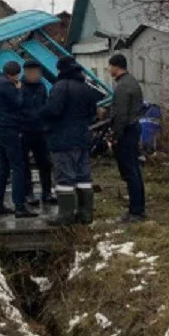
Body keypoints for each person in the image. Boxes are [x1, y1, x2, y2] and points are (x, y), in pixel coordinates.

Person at [40, 56, 100, 226]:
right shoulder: (85, 88)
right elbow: (92, 113)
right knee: (83, 177)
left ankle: (65, 215)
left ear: (61, 70)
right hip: (82, 139)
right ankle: (85, 214)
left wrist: (41, 113)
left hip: (63, 139)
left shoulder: (60, 87)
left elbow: (53, 111)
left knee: (65, 178)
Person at [0, 61, 37, 219]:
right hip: (10, 128)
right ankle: (20, 206)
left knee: (3, 167)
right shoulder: (8, 85)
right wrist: (19, 90)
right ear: (15, 74)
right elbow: (18, 103)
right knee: (18, 166)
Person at [107, 53, 146, 222]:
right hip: (133, 128)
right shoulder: (132, 82)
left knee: (130, 171)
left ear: (116, 66)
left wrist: (115, 135)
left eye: (109, 66)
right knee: (134, 170)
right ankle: (138, 208)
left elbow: (121, 115)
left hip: (127, 131)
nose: (109, 69)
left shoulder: (122, 86)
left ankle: (136, 211)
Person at [19, 59, 55, 207]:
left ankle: (47, 192)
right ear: (26, 73)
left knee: (45, 163)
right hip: (24, 131)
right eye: (32, 72)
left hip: (41, 131)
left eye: (37, 72)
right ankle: (28, 193)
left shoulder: (42, 87)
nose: (35, 75)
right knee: (24, 164)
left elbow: (45, 105)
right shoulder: (19, 87)